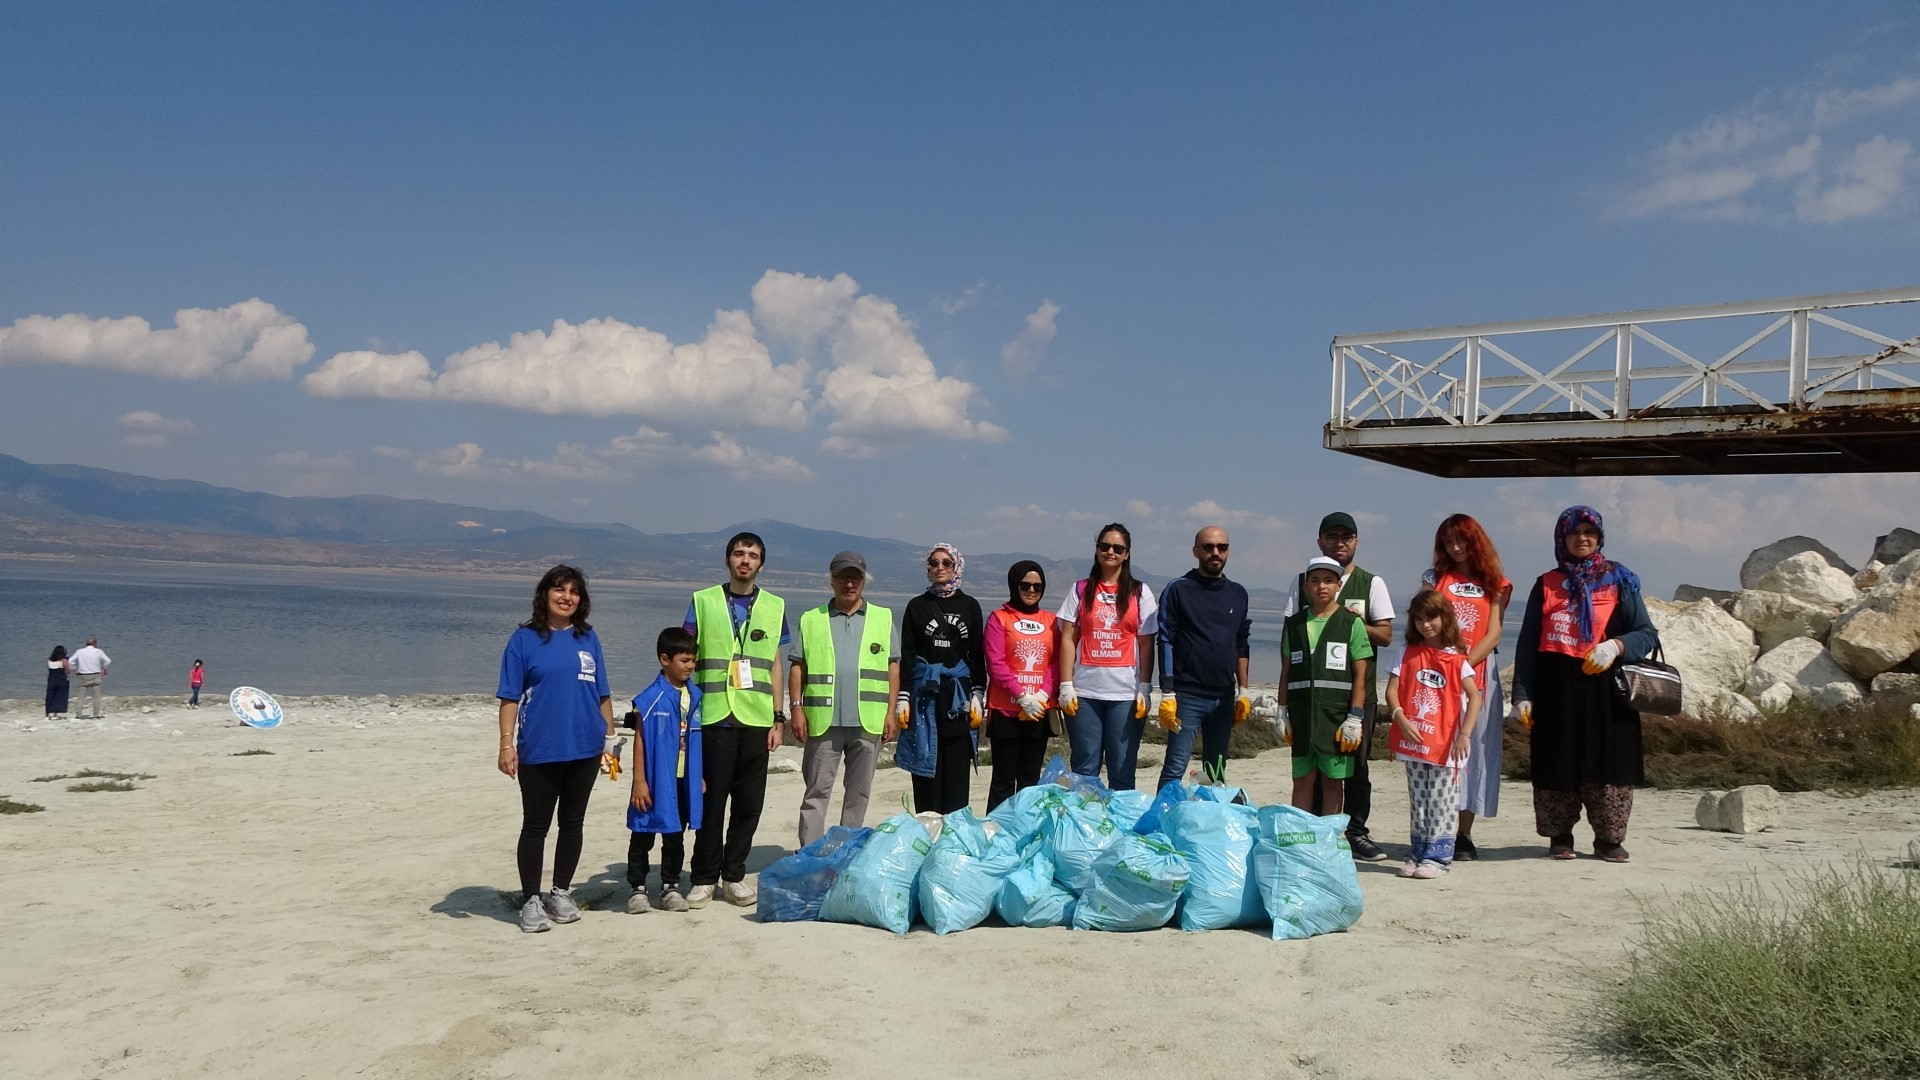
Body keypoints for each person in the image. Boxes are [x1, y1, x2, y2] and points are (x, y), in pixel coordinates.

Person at [1511, 506, 1660, 863]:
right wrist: (1522, 695)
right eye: (1574, 533)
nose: (1582, 539)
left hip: (1607, 692)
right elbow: (1528, 643)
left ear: (1600, 538)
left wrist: (1616, 646)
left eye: (1589, 533)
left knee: (1608, 762)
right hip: (1556, 690)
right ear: (1562, 539)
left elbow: (1646, 634)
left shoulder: (1621, 580)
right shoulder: (1546, 583)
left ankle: (1608, 839)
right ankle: (1560, 836)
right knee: (1556, 760)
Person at [496, 564, 617, 934]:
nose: (567, 597)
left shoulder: (588, 637)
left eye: (574, 592)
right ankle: (531, 899)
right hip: (539, 749)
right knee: (535, 826)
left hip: (585, 747)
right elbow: (509, 697)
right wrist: (506, 744)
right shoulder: (524, 639)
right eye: (559, 590)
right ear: (545, 595)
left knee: (572, 823)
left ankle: (560, 892)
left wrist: (610, 742)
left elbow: (602, 694)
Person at [684, 531, 789, 909]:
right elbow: (685, 657)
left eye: (753, 555)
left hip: (757, 720)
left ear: (761, 564)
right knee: (712, 803)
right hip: (713, 717)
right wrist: (684, 714)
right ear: (728, 559)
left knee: (748, 805)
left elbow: (775, 664)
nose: (745, 560)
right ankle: (703, 878)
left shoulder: (775, 606)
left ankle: (734, 875)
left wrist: (779, 718)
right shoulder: (703, 601)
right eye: (739, 554)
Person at [1284, 513, 1395, 861]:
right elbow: (1292, 644)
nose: (1340, 542)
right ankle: (1310, 834)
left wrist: (1350, 624)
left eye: (1346, 537)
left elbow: (1387, 635)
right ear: (1320, 541)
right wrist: (1283, 708)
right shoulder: (1300, 583)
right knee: (1309, 774)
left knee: (1354, 772)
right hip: (1307, 703)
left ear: (1356, 541)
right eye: (1332, 537)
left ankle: (1354, 834)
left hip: (1353, 701)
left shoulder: (1371, 583)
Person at [787, 550, 899, 846]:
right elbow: (797, 666)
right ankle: (810, 855)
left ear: (864, 581)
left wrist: (891, 713)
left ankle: (845, 852)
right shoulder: (812, 619)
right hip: (823, 721)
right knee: (816, 792)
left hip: (868, 720)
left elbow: (893, 667)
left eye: (855, 577)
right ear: (831, 581)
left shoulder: (883, 617)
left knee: (858, 793)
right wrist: (796, 709)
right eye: (842, 577)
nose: (849, 583)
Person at [1420, 514, 1512, 860]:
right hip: (1438, 674)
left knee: (1473, 750)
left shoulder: (1496, 583)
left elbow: (1494, 632)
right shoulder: (1435, 579)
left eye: (1462, 541)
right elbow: (1423, 620)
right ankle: (1436, 827)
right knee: (1437, 748)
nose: (1456, 548)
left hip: (1477, 673)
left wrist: (1466, 665)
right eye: (1448, 543)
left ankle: (1464, 834)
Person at [1386, 589, 1482, 879]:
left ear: (1444, 618)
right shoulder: (1407, 653)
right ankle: (1418, 852)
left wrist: (1464, 734)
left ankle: (1439, 857)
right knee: (1419, 800)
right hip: (1414, 743)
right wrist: (1400, 717)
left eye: (1431, 617)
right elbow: (1392, 691)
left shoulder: (1457, 659)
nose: (1425, 625)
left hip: (1445, 745)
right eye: (1418, 619)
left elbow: (1475, 697)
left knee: (1442, 800)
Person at [1057, 524, 1159, 791]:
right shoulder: (1080, 590)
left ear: (1127, 554)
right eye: (1104, 546)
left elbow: (1147, 643)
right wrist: (1065, 684)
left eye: (1117, 548)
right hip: (1085, 693)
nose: (1110, 552)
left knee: (1122, 770)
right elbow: (1068, 638)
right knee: (1085, 769)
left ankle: (1120, 827)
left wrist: (1145, 687)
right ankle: (1086, 825)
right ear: (1097, 551)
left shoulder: (1140, 592)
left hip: (1124, 695)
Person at [1154, 526, 1254, 790]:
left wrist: (1244, 690)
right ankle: (1161, 822)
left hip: (1223, 698)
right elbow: (1165, 639)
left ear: (1228, 552)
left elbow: (1241, 643)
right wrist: (1167, 692)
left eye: (1221, 547)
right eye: (1208, 547)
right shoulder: (1178, 589)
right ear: (1196, 551)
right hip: (1187, 696)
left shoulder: (1238, 593)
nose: (1215, 552)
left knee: (1216, 769)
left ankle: (1211, 823)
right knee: (1175, 767)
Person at [1281, 556, 1373, 818]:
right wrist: (1281, 711)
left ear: (1339, 586)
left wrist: (1355, 717)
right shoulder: (1294, 625)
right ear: (1306, 586)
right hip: (1301, 718)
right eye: (1316, 580)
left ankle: (1331, 838)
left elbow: (1361, 676)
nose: (1322, 586)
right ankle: (1301, 835)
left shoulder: (1351, 623)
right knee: (1302, 780)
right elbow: (1286, 672)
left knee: (1333, 783)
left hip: (1336, 720)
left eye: (1329, 581)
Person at [897, 543, 985, 813]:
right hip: (925, 699)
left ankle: (953, 840)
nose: (939, 568)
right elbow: (908, 654)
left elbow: (976, 655)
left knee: (957, 776)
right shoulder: (916, 607)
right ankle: (928, 833)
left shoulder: (970, 606)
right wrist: (903, 696)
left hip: (958, 701)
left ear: (956, 567)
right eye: (933, 563)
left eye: (946, 563)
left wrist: (978, 695)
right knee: (926, 772)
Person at [626, 627, 704, 914]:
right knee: (643, 832)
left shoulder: (695, 696)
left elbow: (695, 741)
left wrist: (700, 777)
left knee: (675, 834)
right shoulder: (650, 698)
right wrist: (639, 781)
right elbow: (640, 739)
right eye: (684, 660)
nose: (690, 666)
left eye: (693, 660)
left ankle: (671, 886)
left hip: (683, 779)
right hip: (653, 779)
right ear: (664, 660)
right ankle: (637, 888)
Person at [983, 560, 1058, 811]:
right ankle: (997, 832)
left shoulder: (1051, 621)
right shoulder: (999, 618)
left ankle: (1026, 832)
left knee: (1030, 780)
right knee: (1003, 780)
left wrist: (1044, 693)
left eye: (1037, 586)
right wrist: (1021, 694)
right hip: (1005, 712)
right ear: (1014, 585)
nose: (1031, 590)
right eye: (1025, 585)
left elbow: (1056, 661)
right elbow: (996, 663)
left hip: (1038, 711)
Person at [70, 637, 110, 720]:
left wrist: (74, 669)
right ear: (95, 643)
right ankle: (95, 714)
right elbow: (108, 661)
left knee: (81, 696)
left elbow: (70, 661)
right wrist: (104, 668)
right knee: (96, 696)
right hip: (96, 674)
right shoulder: (99, 651)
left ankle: (78, 714)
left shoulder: (80, 651)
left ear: (86, 643)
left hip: (83, 675)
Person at [45, 645, 70, 721]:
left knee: (50, 695)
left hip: (51, 679)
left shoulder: (49, 660)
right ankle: (55, 713)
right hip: (61, 679)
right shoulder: (63, 661)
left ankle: (48, 713)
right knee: (59, 696)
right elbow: (67, 671)